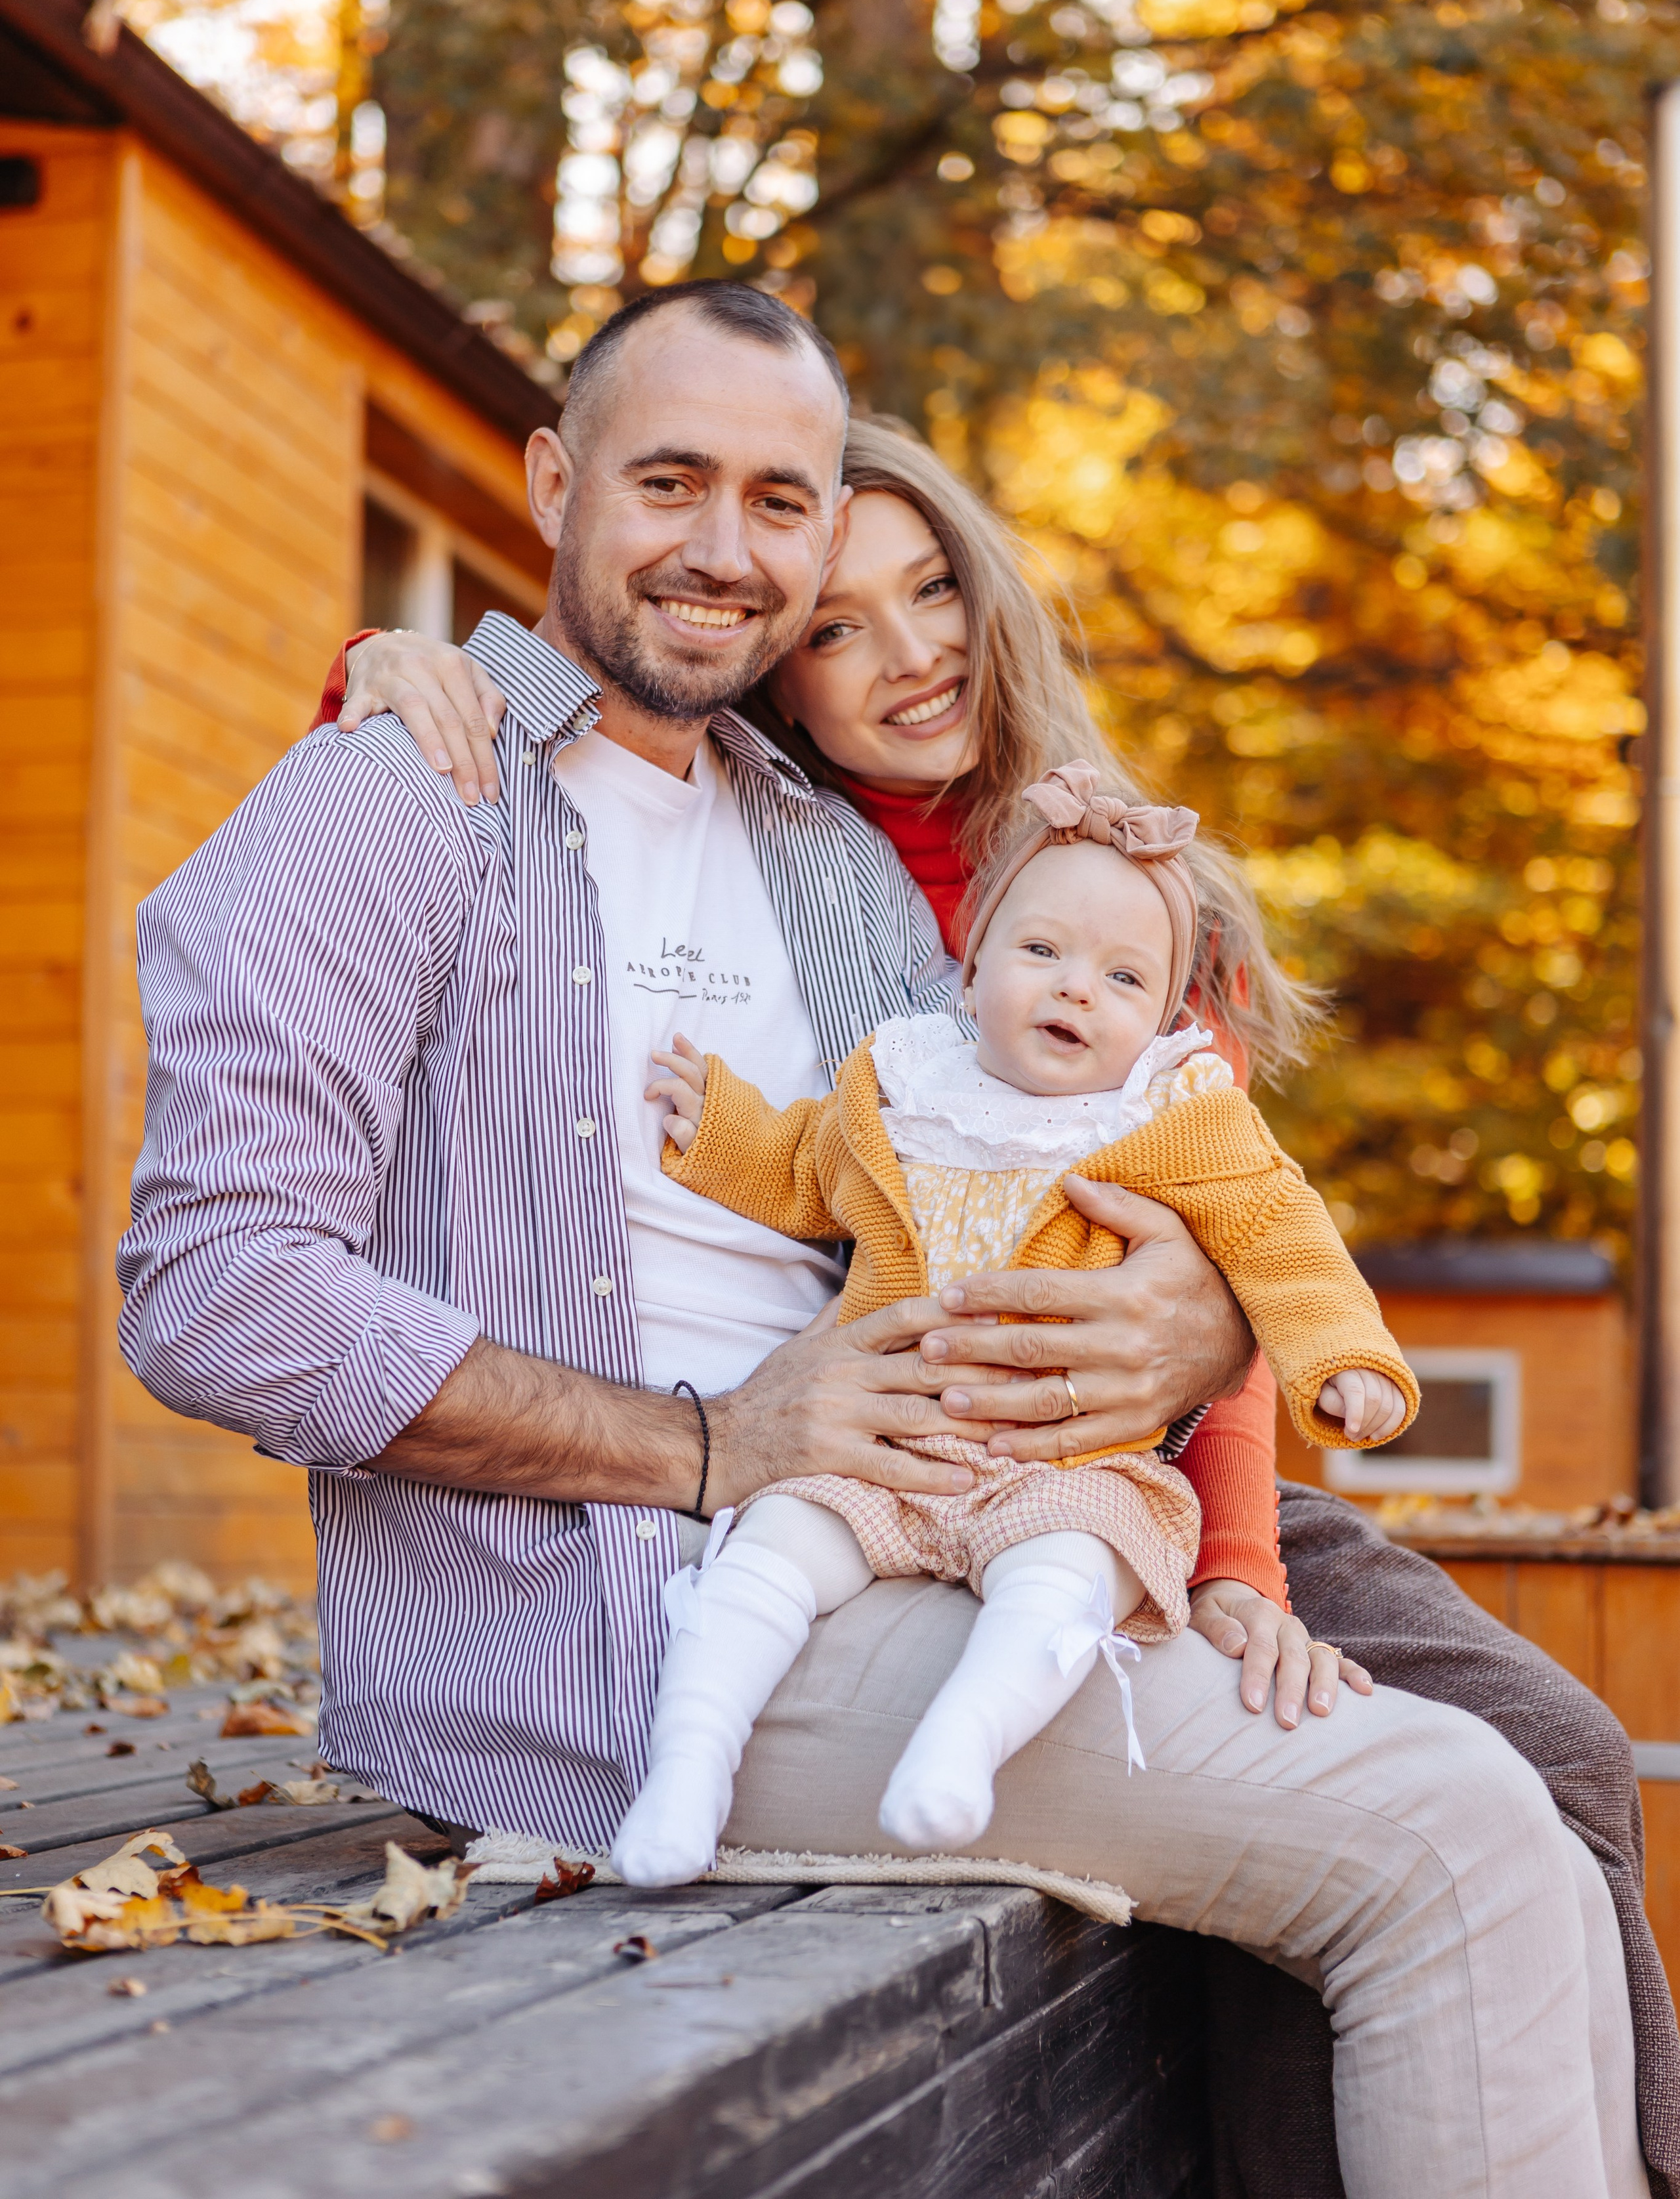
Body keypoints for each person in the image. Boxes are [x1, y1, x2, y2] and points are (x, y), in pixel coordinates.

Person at [119, 280, 1647, 2198]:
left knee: (1510, 1786)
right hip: (625, 1632)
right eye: (668, 480)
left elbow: (1081, 1152)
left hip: (976, 1534)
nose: (723, 548)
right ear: (550, 480)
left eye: (781, 502)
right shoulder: (393, 800)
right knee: (1450, 1832)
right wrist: (712, 1444)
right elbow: (217, 1292)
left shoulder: (828, 855)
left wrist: (1198, 1324)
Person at [614, 769, 1415, 1886]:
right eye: (1042, 953)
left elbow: (1281, 1236)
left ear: (1166, 1016)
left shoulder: (1170, 1116)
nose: (1077, 991)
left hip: (1063, 1459)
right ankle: (685, 1773)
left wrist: (1339, 1357)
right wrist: (725, 1128)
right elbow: (804, 1168)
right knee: (767, 1559)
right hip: (886, 1445)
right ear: (976, 962)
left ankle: (960, 1750)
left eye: (1124, 977)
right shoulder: (903, 1089)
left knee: (1065, 1579)